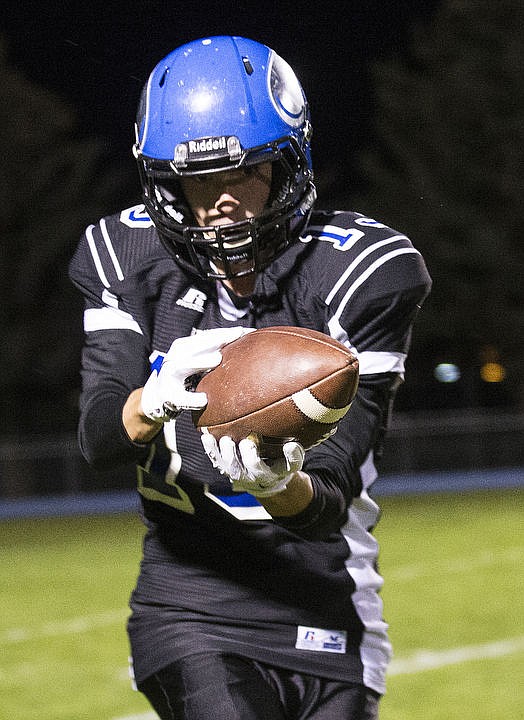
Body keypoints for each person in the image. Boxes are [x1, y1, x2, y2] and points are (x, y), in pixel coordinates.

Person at [69, 35, 431, 720]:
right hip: (191, 611)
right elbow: (98, 436)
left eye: (246, 173)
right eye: (201, 180)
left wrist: (279, 484)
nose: (224, 201)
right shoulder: (124, 254)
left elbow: (333, 492)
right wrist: (149, 402)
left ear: (289, 166)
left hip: (330, 604)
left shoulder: (364, 272)